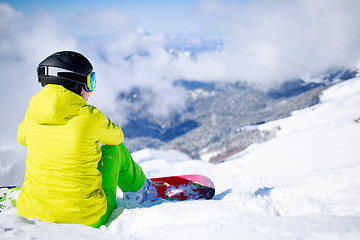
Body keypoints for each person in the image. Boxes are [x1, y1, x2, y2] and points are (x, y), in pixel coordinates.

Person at [16, 51, 150, 228]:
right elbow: (117, 137)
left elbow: (22, 139)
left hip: (31, 212)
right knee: (115, 150)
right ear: (74, 83)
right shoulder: (89, 116)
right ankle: (140, 190)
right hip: (87, 217)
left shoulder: (32, 114)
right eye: (90, 82)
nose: (90, 91)